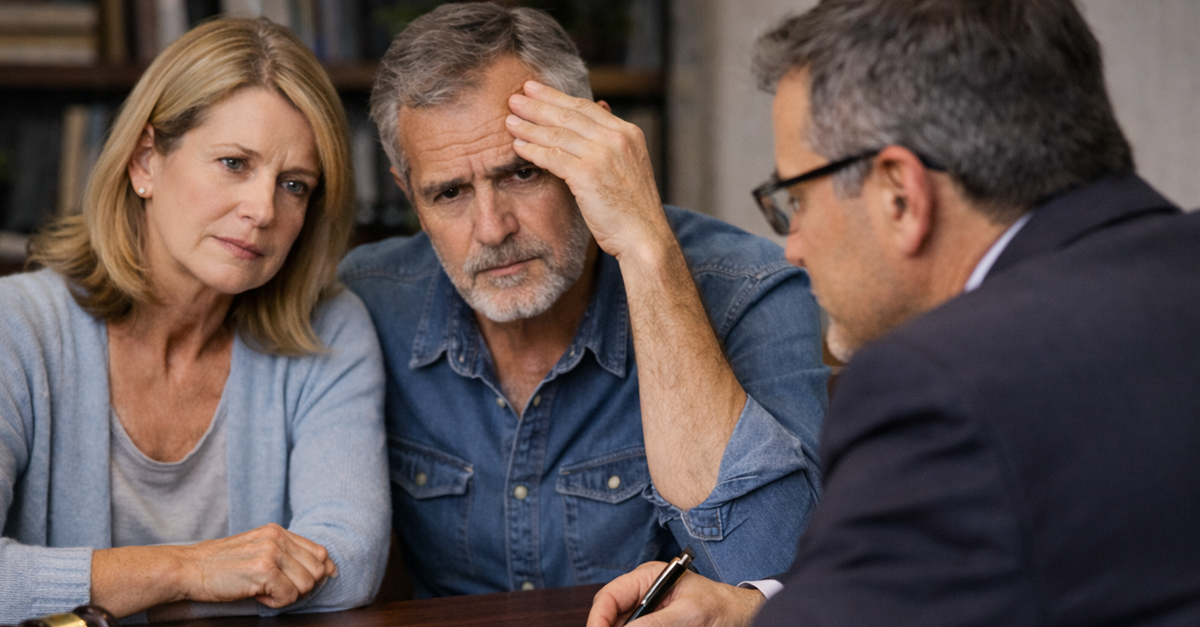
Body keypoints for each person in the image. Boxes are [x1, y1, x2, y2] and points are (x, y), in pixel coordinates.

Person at [587, 0, 1200, 625]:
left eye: (796, 198)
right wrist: (756, 609)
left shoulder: (936, 384)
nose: (793, 246)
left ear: (900, 195)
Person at [339, 3, 828, 597]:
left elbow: (777, 569)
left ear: (596, 148)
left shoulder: (750, 289)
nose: (492, 229)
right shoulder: (367, 303)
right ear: (407, 193)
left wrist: (646, 253)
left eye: (523, 173)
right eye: (448, 193)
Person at [0, 18, 390, 621]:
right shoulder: (17, 328)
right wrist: (188, 569)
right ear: (145, 162)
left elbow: (351, 562)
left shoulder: (330, 329)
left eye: (294, 185)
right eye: (234, 163)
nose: (263, 209)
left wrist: (117, 591)